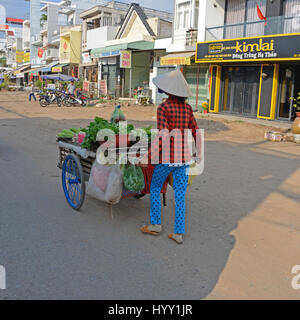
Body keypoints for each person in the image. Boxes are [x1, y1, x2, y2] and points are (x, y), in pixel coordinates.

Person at [139, 69, 201, 244]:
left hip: (166, 159)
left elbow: (163, 134)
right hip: (183, 159)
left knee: (155, 188)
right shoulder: (188, 109)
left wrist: (148, 156)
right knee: (180, 195)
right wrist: (199, 153)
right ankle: (178, 233)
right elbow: (196, 131)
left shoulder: (164, 107)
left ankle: (155, 225)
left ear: (168, 91)